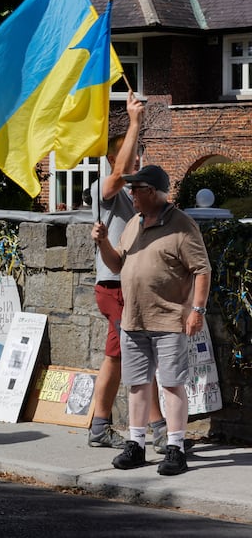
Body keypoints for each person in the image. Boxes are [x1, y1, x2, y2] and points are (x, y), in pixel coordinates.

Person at [92, 164, 211, 476]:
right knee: (137, 385)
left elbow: (202, 269)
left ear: (156, 193)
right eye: (131, 189)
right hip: (134, 319)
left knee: (171, 385)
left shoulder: (182, 226)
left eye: (138, 189)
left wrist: (197, 311)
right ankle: (136, 444)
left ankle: (175, 447)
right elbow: (117, 264)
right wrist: (103, 242)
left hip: (170, 319)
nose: (131, 194)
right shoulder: (134, 223)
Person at [88, 92, 166, 451]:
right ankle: (160, 430)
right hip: (115, 285)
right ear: (112, 159)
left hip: (124, 287)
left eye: (140, 154)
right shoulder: (105, 189)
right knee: (139, 357)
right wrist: (134, 120)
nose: (138, 159)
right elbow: (119, 173)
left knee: (116, 357)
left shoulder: (137, 195)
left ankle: (99, 425)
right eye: (132, 154)